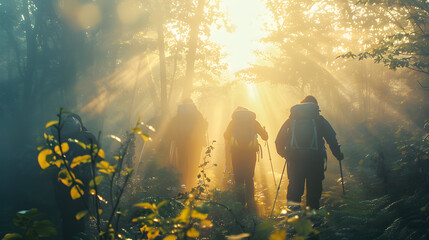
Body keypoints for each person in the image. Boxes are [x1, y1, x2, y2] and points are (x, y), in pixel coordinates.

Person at [275, 96, 343, 210]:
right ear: (315, 107)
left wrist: (286, 154)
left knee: (294, 194)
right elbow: (332, 139)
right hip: (315, 162)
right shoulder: (319, 120)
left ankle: (292, 221)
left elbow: (278, 142)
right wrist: (338, 155)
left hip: (295, 161)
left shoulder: (291, 121)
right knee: (313, 196)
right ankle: (313, 222)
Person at [47, 113, 97, 240]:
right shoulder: (88, 136)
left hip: (61, 183)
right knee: (80, 214)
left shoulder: (56, 137)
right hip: (82, 182)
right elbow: (98, 158)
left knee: (65, 214)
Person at [224, 107, 268, 212]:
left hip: (236, 153)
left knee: (238, 178)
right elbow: (265, 137)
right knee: (249, 178)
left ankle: (239, 203)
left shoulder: (233, 122)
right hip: (250, 153)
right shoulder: (253, 122)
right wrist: (264, 131)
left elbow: (225, 135)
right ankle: (251, 203)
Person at [167, 99, 208, 189]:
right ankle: (191, 186)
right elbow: (204, 126)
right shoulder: (197, 114)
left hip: (182, 144)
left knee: (182, 164)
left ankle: (183, 186)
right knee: (193, 164)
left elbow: (171, 127)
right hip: (196, 145)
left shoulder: (179, 115)